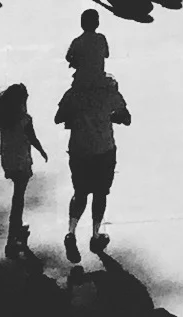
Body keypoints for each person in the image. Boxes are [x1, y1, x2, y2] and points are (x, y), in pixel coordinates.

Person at [55, 64, 133, 264]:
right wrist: (109, 116)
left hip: (79, 149)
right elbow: (126, 118)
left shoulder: (73, 94)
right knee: (100, 193)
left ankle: (71, 233)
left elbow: (58, 118)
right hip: (103, 149)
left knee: (80, 193)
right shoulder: (109, 92)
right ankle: (96, 236)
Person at [0, 80, 48, 260]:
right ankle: (14, 233)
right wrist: (42, 151)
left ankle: (16, 228)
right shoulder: (25, 120)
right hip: (22, 162)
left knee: (17, 195)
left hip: (9, 160)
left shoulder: (4, 119)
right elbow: (32, 138)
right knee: (18, 198)